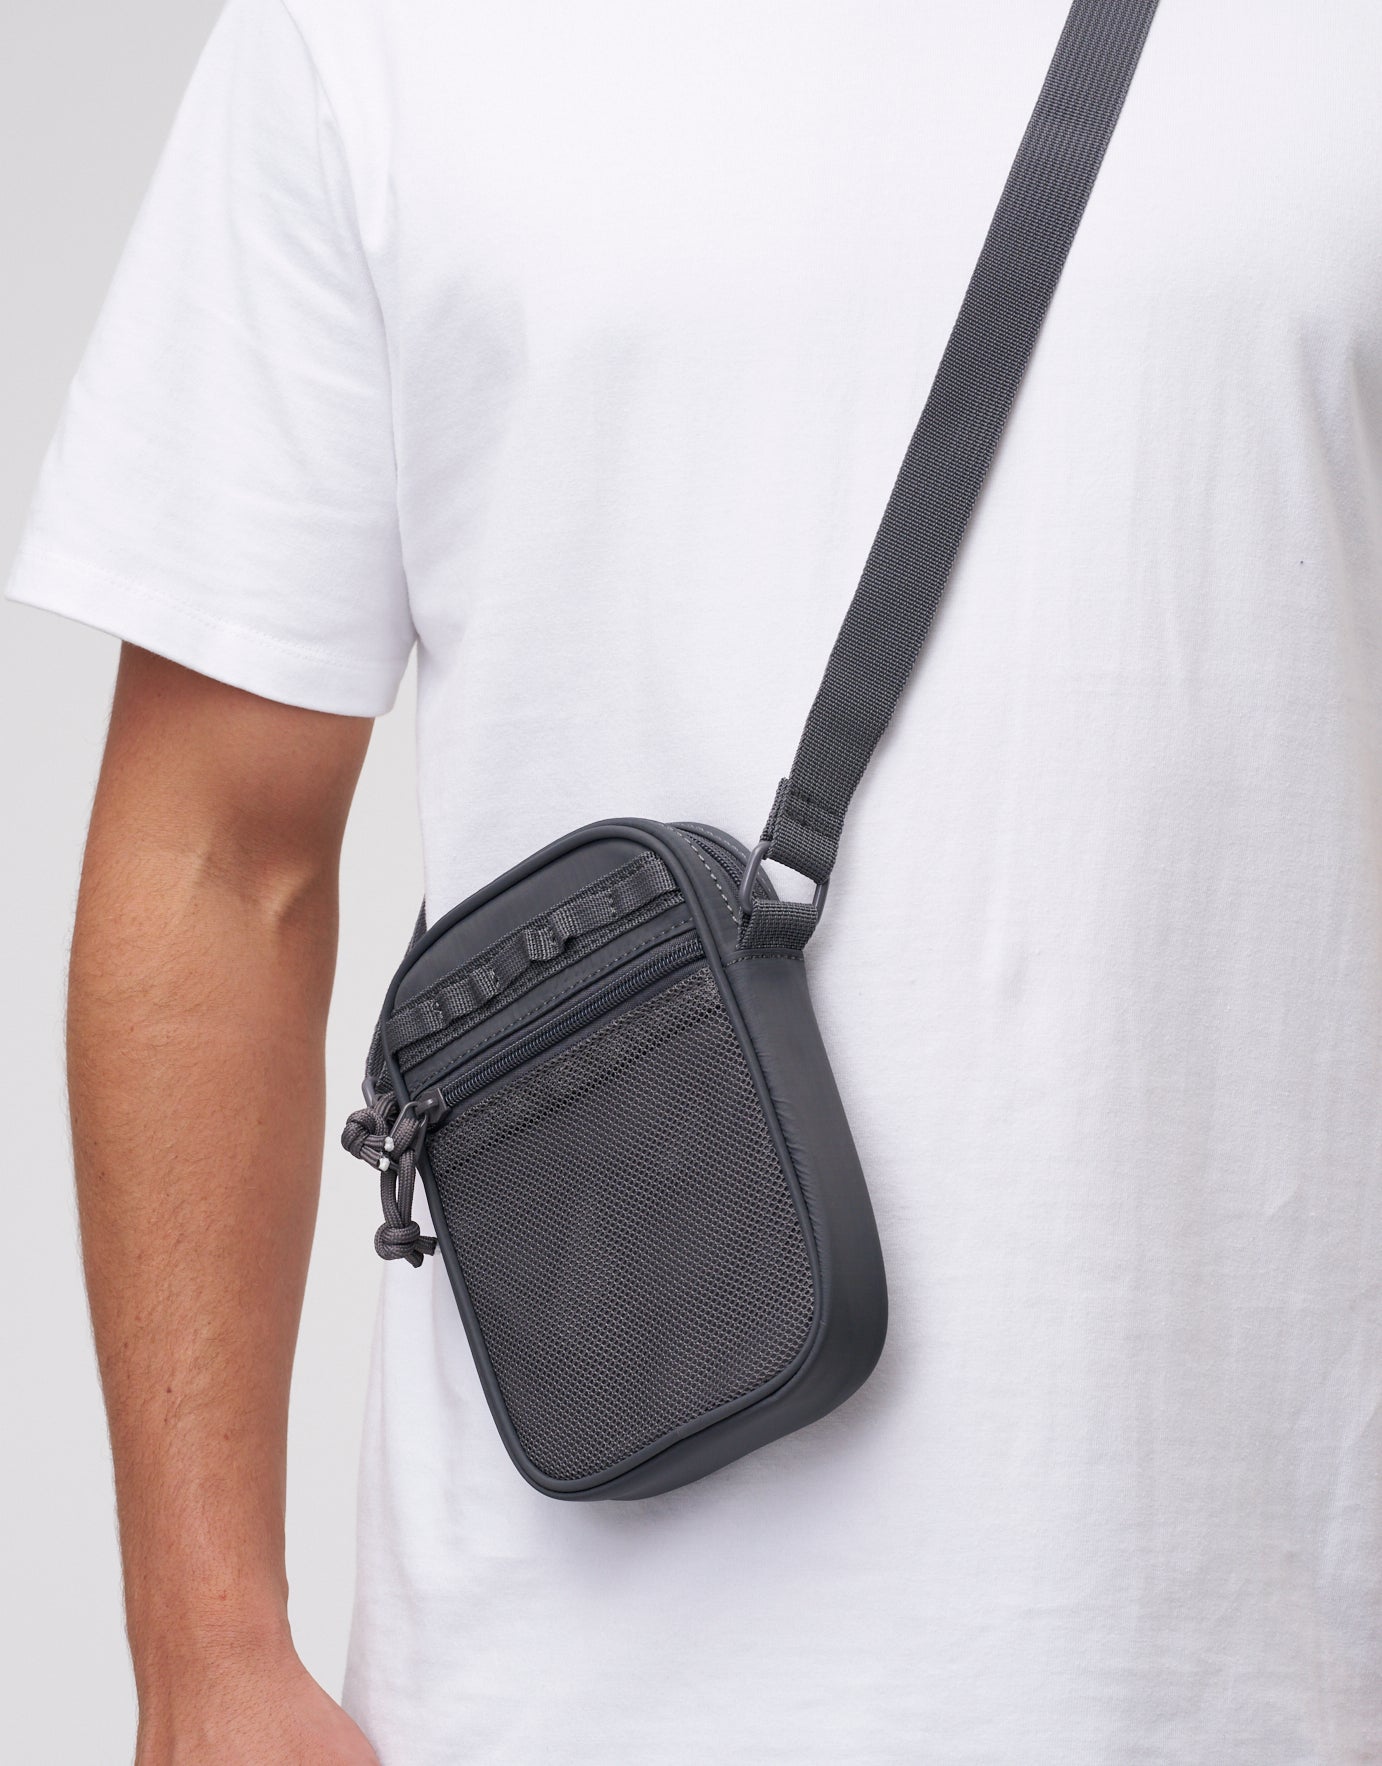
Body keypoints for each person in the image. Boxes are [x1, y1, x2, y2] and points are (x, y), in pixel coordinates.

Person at [11, 1, 1382, 1761]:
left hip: (1261, 1673)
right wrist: (204, 1651)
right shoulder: (364, 35)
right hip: (541, 1705)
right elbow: (218, 858)